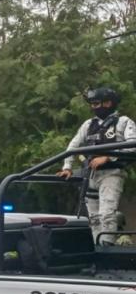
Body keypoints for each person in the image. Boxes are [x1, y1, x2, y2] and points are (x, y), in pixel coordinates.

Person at [56, 87, 136, 245]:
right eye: (92, 104)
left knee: (106, 213)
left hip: (111, 173)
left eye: (98, 103)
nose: (95, 107)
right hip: (90, 174)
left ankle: (107, 248)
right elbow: (74, 145)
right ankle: (96, 247)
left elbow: (133, 145)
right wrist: (67, 167)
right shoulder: (88, 124)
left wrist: (107, 157)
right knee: (93, 218)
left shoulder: (123, 122)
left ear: (109, 103)